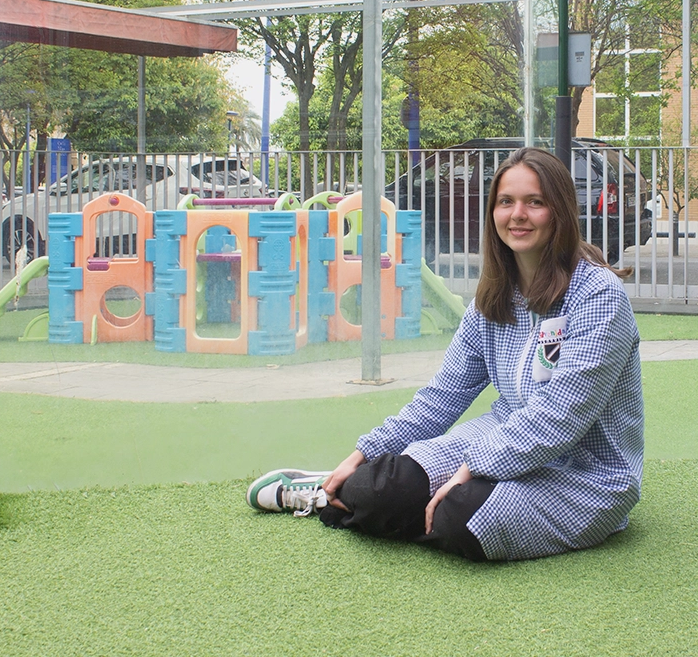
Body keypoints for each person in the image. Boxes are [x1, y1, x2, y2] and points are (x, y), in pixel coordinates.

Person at [246, 147, 644, 561]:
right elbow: (442, 397)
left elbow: (559, 418)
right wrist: (364, 453)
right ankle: (334, 490)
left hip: (587, 474)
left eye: (535, 202)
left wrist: (471, 469)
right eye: (506, 201)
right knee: (380, 488)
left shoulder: (598, 296)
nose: (517, 214)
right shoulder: (494, 298)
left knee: (462, 516)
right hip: (498, 436)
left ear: (559, 211)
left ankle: (403, 509)